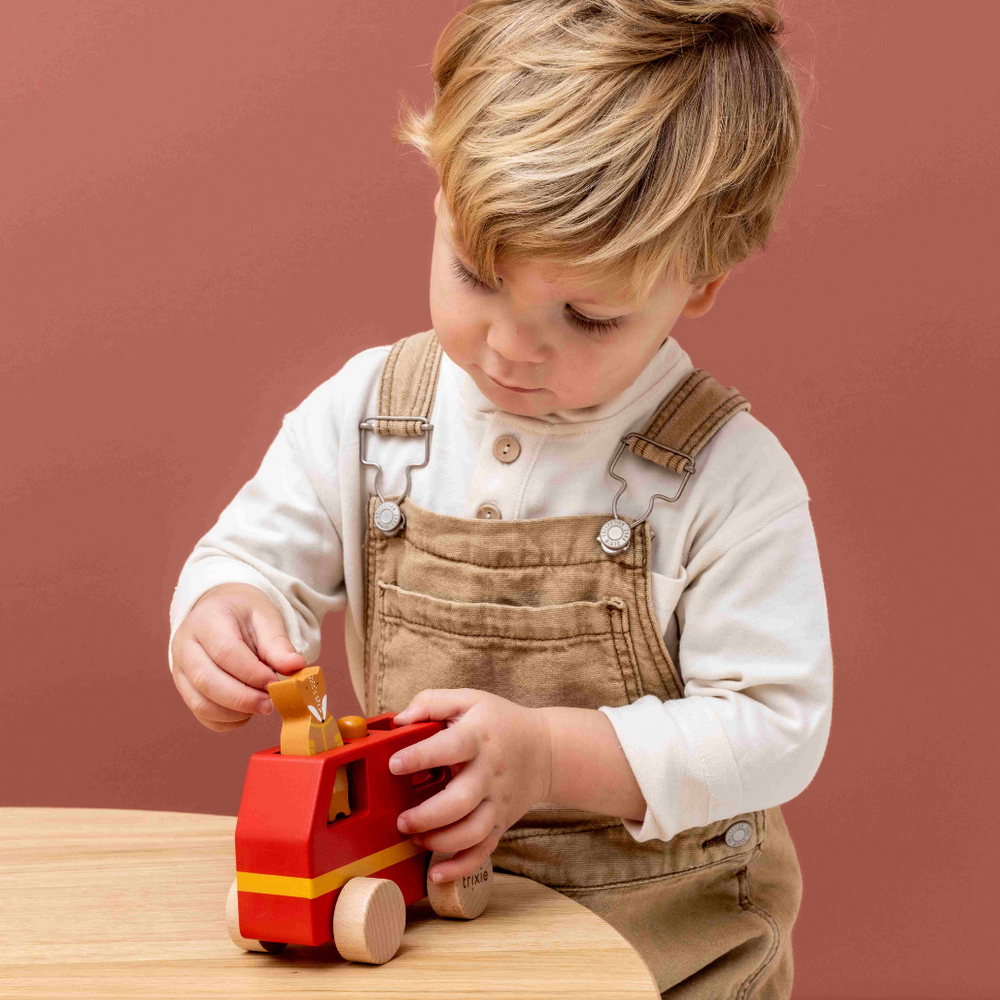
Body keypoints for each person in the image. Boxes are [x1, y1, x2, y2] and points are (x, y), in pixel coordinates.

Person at [168, 1, 832, 995]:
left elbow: (774, 725)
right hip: (433, 934)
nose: (514, 347)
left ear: (699, 282)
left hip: (669, 950)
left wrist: (552, 758)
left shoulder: (726, 479)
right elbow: (254, 559)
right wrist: (223, 612)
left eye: (587, 314)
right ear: (436, 192)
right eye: (477, 277)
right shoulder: (368, 417)